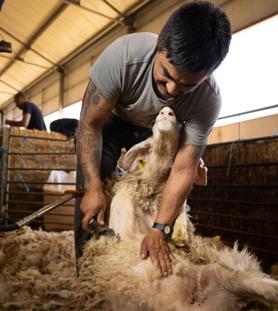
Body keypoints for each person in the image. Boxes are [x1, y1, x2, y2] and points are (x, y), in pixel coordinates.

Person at [75, 1, 231, 276]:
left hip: (161, 132)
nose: (171, 90)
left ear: (207, 74)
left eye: (187, 85)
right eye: (166, 75)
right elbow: (89, 125)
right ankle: (88, 277)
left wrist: (161, 228)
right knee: (91, 201)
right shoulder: (123, 56)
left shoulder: (208, 98)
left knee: (162, 209)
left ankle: (146, 274)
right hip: (112, 123)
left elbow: (184, 167)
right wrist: (92, 186)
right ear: (159, 43)